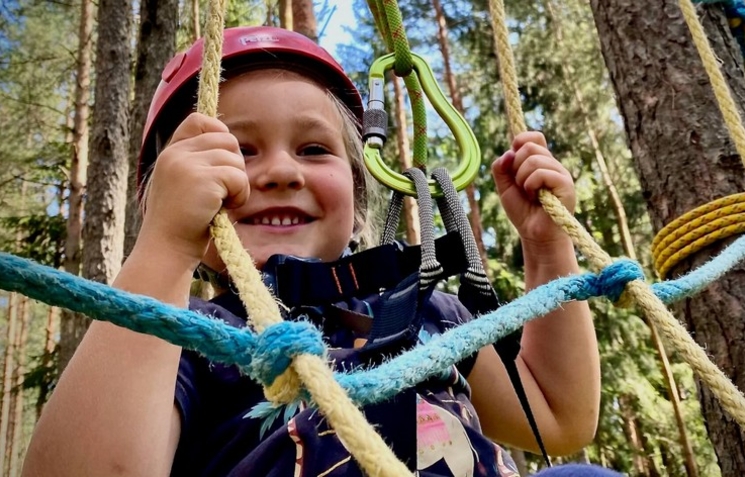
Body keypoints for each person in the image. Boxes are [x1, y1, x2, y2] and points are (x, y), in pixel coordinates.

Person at [23, 26, 617, 476]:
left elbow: (559, 420)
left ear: (358, 193)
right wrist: (164, 244)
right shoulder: (190, 339)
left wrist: (547, 247)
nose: (280, 170)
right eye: (239, 151)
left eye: (312, 149)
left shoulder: (423, 313)